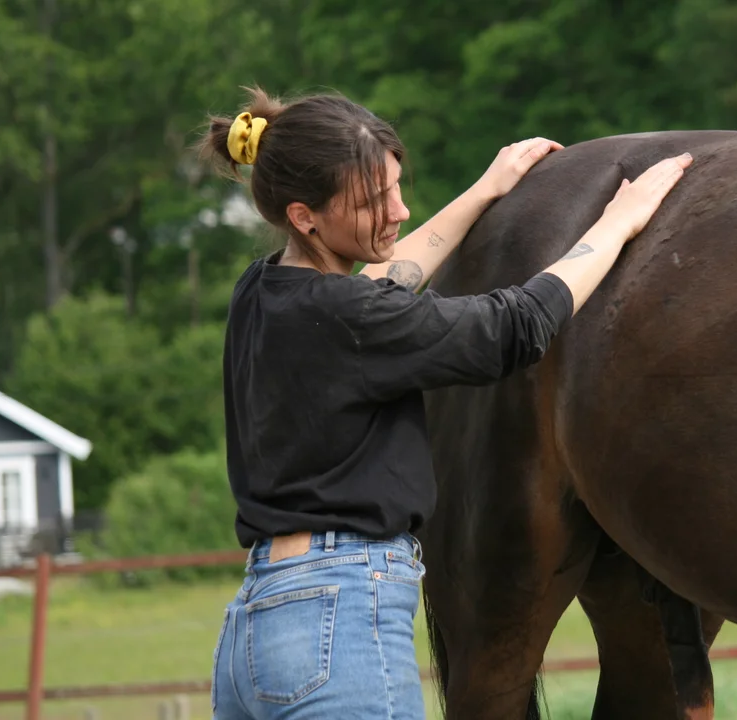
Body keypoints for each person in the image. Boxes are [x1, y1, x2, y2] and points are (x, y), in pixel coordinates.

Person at [197, 85, 692, 720]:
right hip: (338, 618)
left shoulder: (263, 291)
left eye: (397, 187)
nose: (399, 210)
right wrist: (616, 225)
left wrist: (484, 191)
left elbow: (385, 280)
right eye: (375, 201)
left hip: (256, 625)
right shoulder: (351, 318)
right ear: (304, 216)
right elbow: (514, 326)